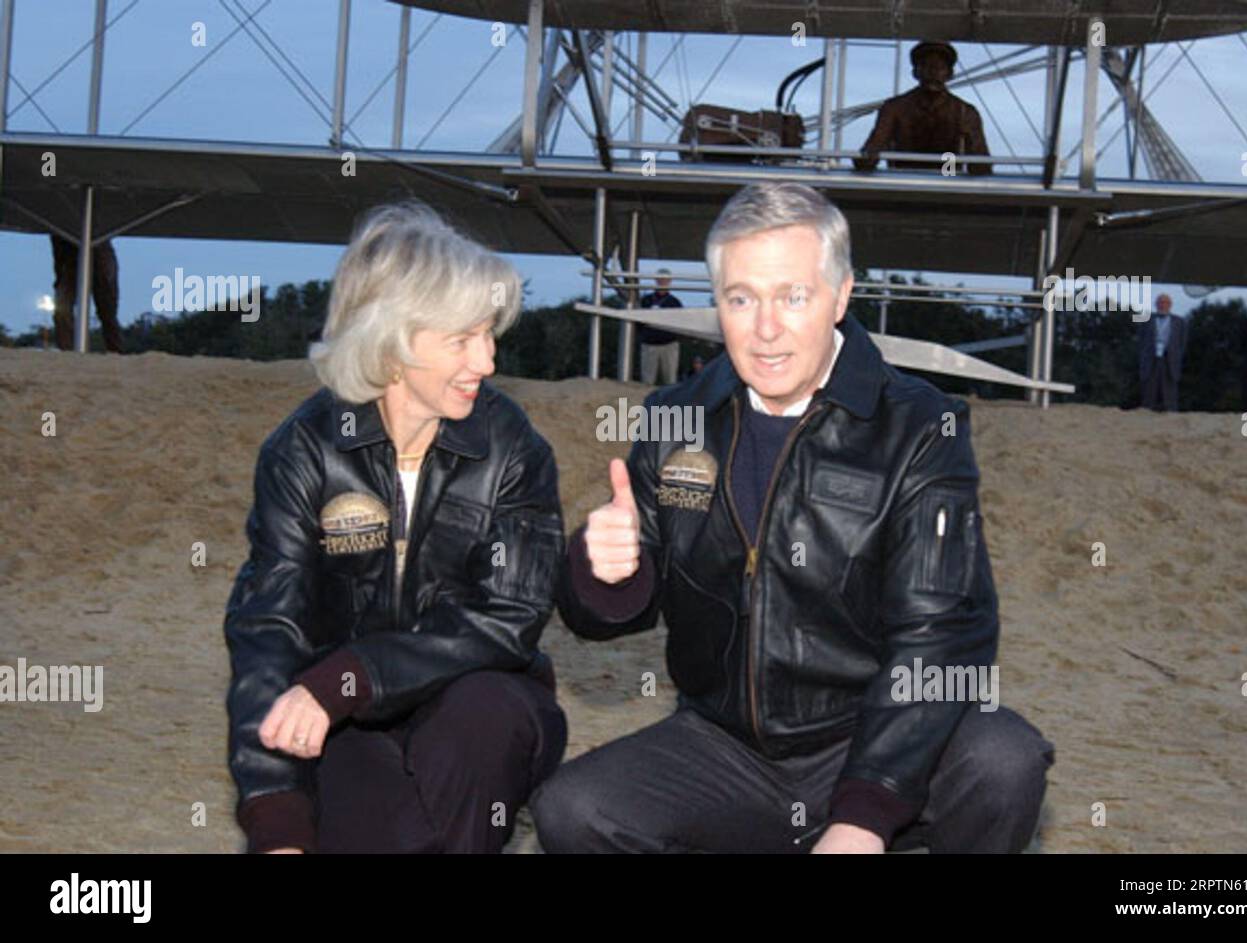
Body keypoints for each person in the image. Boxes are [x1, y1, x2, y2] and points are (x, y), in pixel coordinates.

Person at [532, 182, 1053, 854]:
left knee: (1002, 759)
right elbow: (608, 613)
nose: (765, 327)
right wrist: (604, 571)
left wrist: (864, 813)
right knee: (573, 809)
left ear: (840, 296)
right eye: (741, 298)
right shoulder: (676, 415)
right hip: (724, 746)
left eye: (793, 296)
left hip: (869, 733)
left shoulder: (921, 425)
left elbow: (944, 632)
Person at [224, 201, 567, 854]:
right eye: (463, 339)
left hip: (480, 701)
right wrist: (274, 815)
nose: (488, 361)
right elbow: (267, 630)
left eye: (490, 334)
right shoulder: (302, 451)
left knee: (484, 721)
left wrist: (350, 674)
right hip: (349, 726)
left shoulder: (512, 448)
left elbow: (508, 619)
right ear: (393, 340)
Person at [854, 42, 992, 176]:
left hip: (948, 181)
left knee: (948, 167)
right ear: (915, 72)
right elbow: (872, 150)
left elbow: (981, 164)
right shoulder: (894, 108)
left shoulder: (965, 112)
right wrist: (867, 158)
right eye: (925, 66)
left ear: (950, 74)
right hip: (903, 182)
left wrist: (973, 151)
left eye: (940, 67)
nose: (933, 72)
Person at [50, 234, 123, 352]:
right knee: (62, 309)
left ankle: (115, 350)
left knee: (107, 311)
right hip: (70, 257)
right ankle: (67, 352)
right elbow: (57, 252)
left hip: (98, 250)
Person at [1138, 293, 1187, 411]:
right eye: (1160, 303)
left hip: (1170, 359)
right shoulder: (1146, 320)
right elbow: (1141, 340)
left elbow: (1182, 342)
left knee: (1170, 389)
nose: (1163, 305)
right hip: (1151, 359)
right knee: (1149, 388)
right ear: (1156, 304)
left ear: (1170, 305)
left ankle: (1171, 412)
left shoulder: (1180, 322)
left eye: (1165, 303)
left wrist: (1177, 357)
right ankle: (1146, 411)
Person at [638, 268, 684, 385]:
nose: (663, 281)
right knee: (647, 381)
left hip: (669, 345)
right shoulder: (646, 300)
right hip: (649, 345)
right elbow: (639, 322)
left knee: (670, 381)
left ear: (670, 281)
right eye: (660, 279)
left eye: (665, 279)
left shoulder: (675, 302)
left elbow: (680, 324)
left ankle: (670, 403)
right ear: (656, 280)